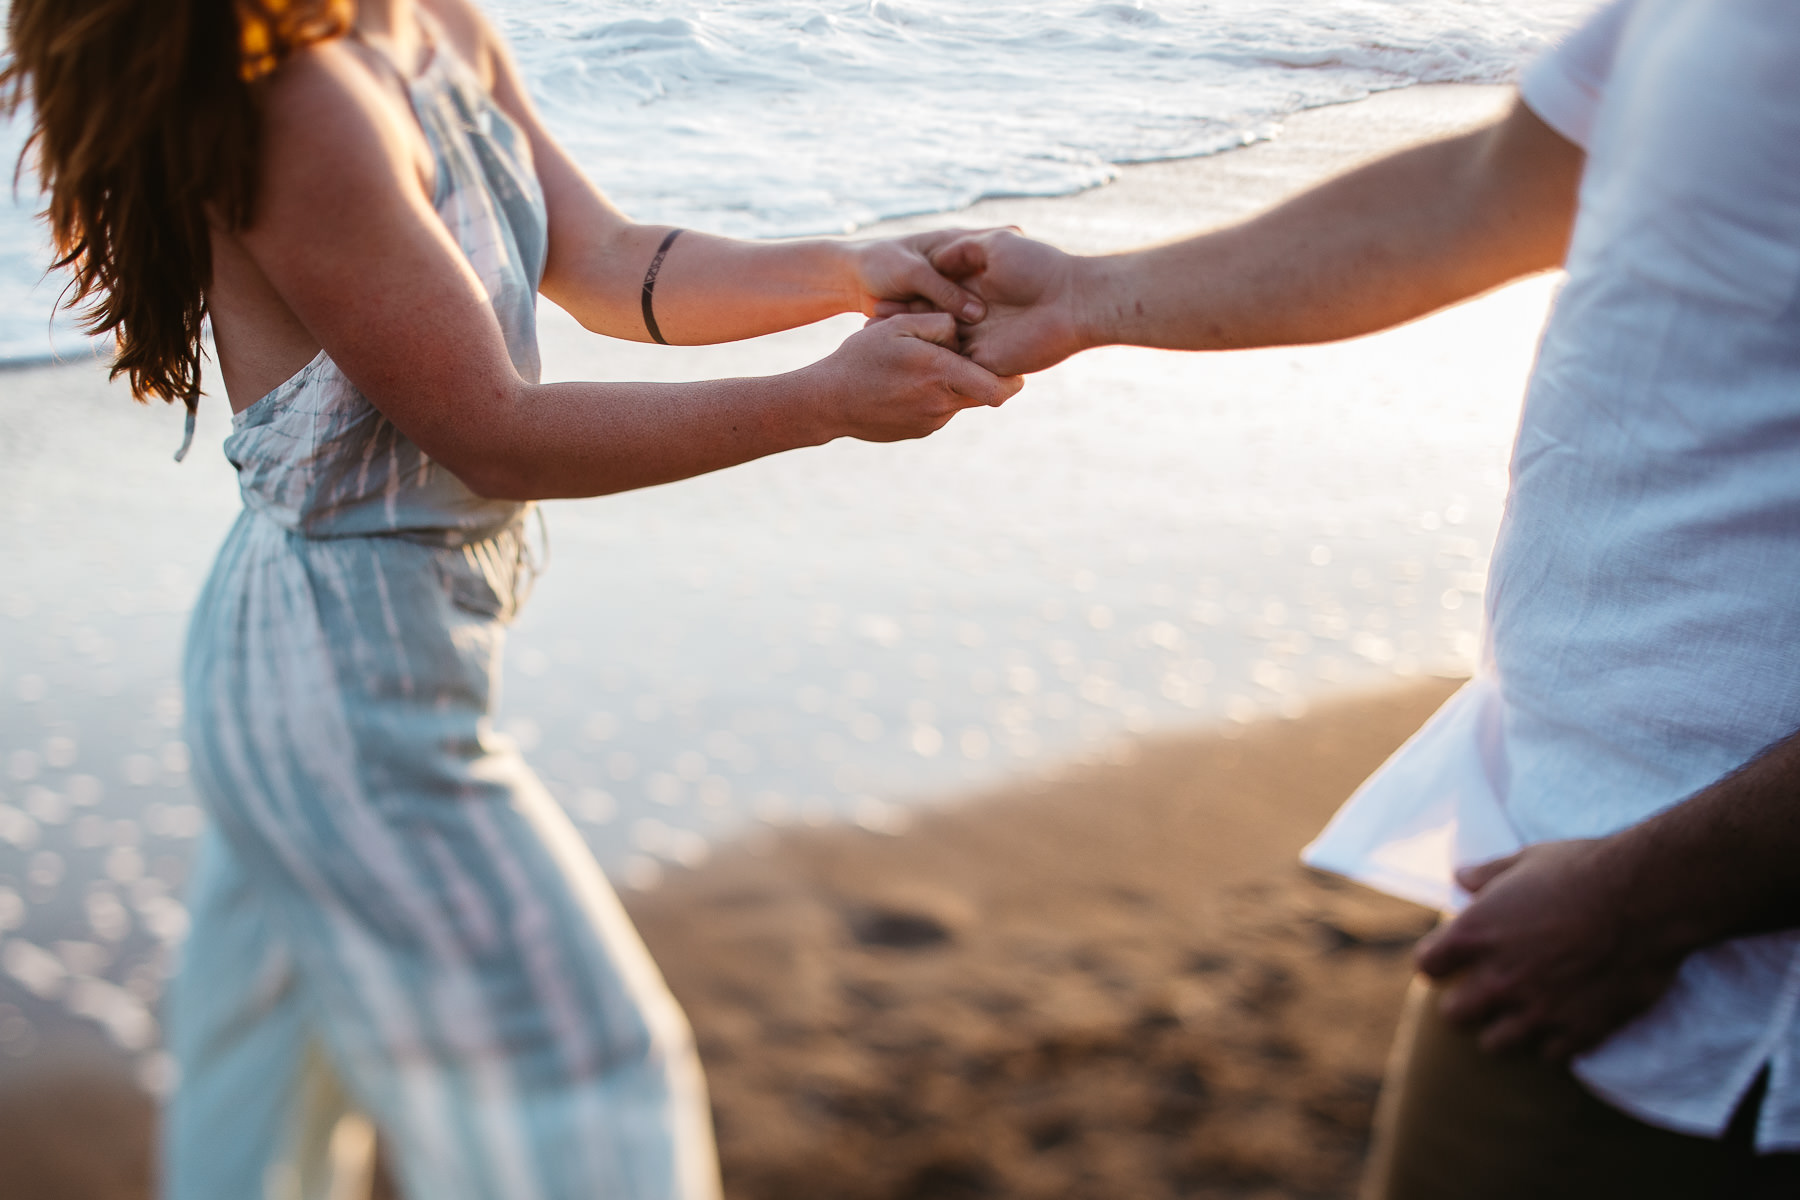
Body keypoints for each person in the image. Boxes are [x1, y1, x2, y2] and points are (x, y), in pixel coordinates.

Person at [2, 0, 1020, 1197]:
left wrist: (849, 272)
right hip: (336, 689)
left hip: (329, 667)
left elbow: (604, 263)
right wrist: (823, 401)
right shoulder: (293, 98)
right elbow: (494, 434)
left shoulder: (431, 23)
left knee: (259, 1112)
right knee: (582, 1085)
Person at [923, 1, 1800, 1195]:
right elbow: (1493, 192)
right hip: (1567, 841)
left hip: (1701, 972)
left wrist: (1646, 901)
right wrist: (1087, 294)